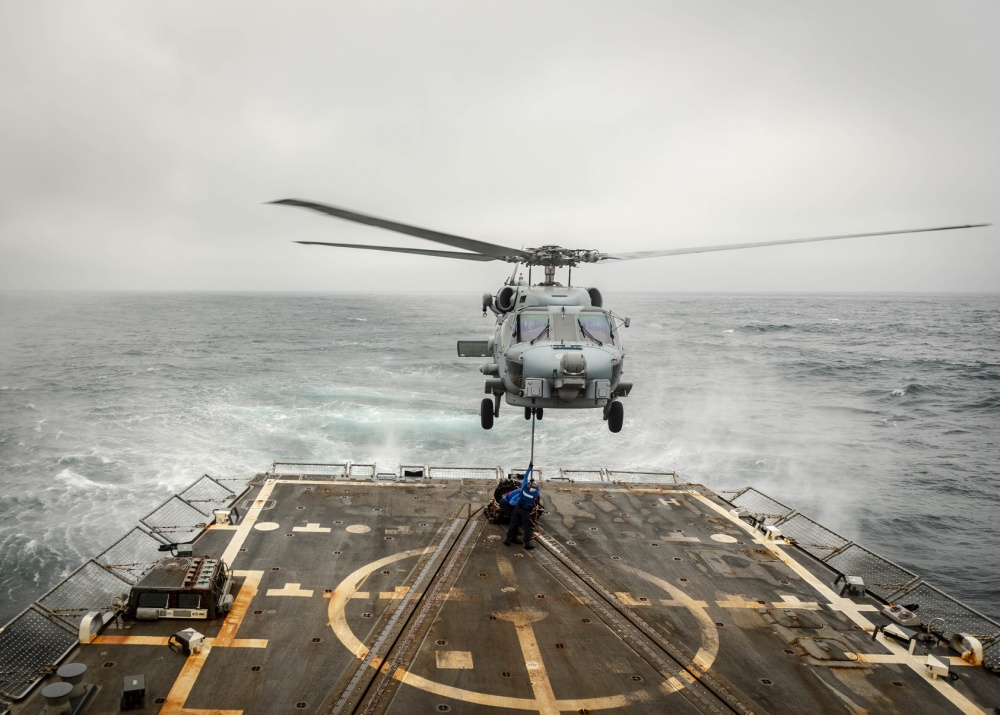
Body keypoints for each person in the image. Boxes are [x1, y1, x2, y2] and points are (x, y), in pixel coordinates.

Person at [504, 463, 539, 550]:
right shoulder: (535, 493)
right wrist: (533, 483)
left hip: (517, 508)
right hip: (525, 511)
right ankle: (527, 543)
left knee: (513, 524)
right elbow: (537, 489)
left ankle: (507, 539)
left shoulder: (523, 488)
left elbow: (525, 477)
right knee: (528, 527)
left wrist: (529, 468)